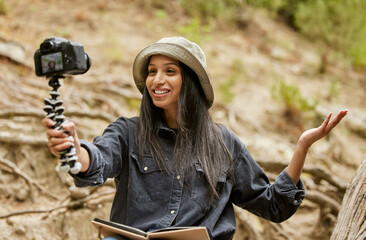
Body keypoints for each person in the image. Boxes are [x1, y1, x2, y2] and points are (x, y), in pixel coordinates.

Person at [42, 36, 348, 240]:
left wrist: (302, 147)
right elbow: (96, 160)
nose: (157, 80)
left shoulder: (224, 144)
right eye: (151, 71)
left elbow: (272, 206)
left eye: (169, 71)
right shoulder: (127, 132)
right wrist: (74, 150)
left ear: (190, 80)